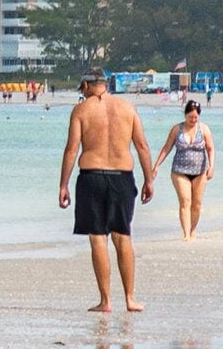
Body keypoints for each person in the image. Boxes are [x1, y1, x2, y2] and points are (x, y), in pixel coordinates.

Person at [57, 73, 155, 312]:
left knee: (98, 237)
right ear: (107, 84)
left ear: (87, 85)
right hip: (122, 177)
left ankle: (106, 301)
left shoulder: (81, 111)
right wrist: (148, 180)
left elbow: (72, 149)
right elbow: (142, 146)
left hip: (92, 177)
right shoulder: (127, 108)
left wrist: (63, 184)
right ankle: (130, 299)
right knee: (123, 236)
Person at [162, 98, 216, 240]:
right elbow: (166, 148)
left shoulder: (204, 129)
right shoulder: (176, 129)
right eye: (190, 117)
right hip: (180, 171)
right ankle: (186, 233)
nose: (193, 120)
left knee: (196, 204)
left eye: (195, 117)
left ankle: (192, 230)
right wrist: (156, 166)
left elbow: (210, 149)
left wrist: (211, 167)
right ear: (185, 115)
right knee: (185, 201)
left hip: (200, 172)